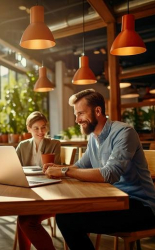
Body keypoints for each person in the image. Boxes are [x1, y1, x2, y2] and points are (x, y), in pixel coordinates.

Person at [43, 89, 155, 250]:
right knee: (66, 215)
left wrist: (63, 172)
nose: (77, 119)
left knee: (67, 219)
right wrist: (58, 168)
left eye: (80, 113)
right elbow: (80, 166)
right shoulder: (93, 138)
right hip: (112, 201)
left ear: (98, 111)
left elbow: (110, 173)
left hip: (139, 206)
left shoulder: (124, 132)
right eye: (76, 114)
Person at [15, 111, 61, 250]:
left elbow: (56, 169)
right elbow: (15, 168)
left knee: (24, 219)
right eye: (36, 128)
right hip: (29, 188)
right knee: (22, 216)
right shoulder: (22, 146)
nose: (41, 131)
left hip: (50, 189)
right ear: (28, 128)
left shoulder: (54, 144)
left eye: (43, 127)